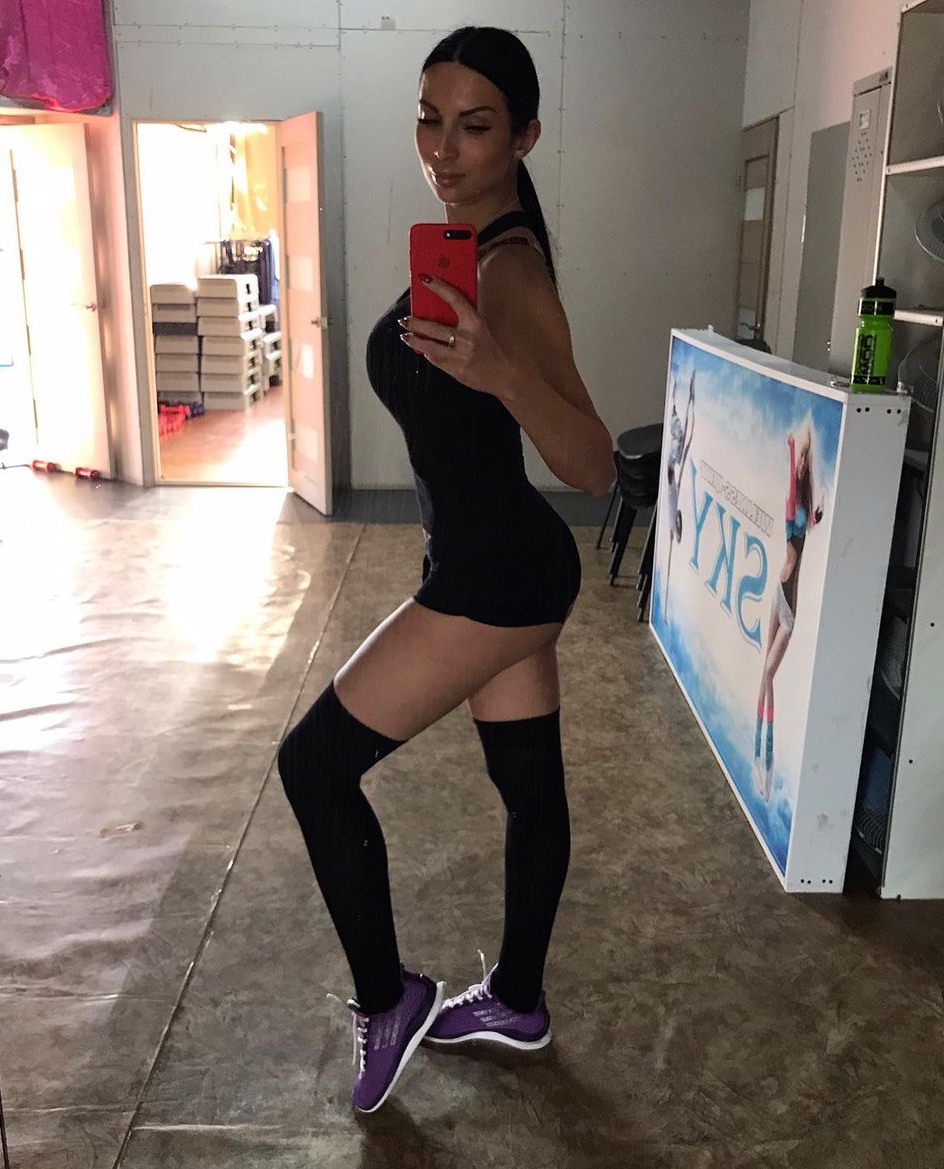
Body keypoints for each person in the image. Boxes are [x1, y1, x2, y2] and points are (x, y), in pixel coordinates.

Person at [276, 26, 614, 1114]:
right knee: (529, 789)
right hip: (501, 562)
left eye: (474, 126)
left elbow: (595, 464)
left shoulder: (509, 269)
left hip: (491, 580)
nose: (444, 148)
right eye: (430, 119)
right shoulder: (467, 241)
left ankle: (392, 998)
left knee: (313, 766)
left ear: (525, 135)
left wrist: (503, 371)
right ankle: (518, 1000)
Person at [752, 422, 825, 799]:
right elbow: (792, 485)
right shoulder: (793, 504)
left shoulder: (805, 511)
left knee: (769, 674)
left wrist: (799, 451)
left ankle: (766, 760)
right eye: (799, 461)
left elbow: (808, 515)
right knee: (763, 675)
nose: (799, 466)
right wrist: (793, 449)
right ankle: (758, 757)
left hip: (789, 611)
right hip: (778, 595)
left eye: (804, 462)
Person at [661, 370, 695, 623]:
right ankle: (678, 399)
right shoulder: (673, 523)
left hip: (672, 465)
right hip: (673, 465)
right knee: (682, 434)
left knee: (680, 434)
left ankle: (677, 398)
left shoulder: (672, 524)